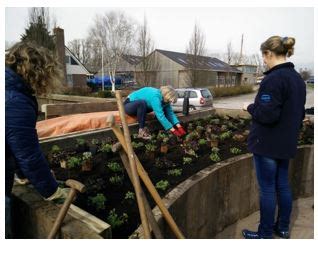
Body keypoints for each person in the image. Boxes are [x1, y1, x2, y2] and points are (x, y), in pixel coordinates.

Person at [242, 36, 306, 239]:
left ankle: (265, 233)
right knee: (283, 185)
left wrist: (249, 107)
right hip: (285, 144)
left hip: (267, 144)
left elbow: (267, 115)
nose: (263, 61)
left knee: (267, 190)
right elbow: (299, 113)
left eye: (264, 56)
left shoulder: (273, 79)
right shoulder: (297, 79)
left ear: (269, 54)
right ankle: (284, 227)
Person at [5, 42, 70, 238]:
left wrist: (22, 174)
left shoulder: (10, 91)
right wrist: (51, 191)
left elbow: (12, 143)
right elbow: (28, 154)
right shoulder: (14, 100)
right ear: (38, 72)